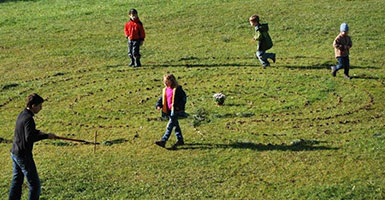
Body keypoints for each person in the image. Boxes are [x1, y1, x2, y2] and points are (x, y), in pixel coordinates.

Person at [9, 93, 56, 200]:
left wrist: (41, 133)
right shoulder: (29, 119)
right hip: (23, 155)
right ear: (33, 105)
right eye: (40, 106)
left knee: (17, 182)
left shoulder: (22, 114)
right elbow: (29, 137)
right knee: (35, 185)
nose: (41, 108)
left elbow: (28, 132)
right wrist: (46, 136)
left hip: (15, 152)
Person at [155, 74, 187, 148]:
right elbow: (161, 99)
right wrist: (158, 105)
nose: (165, 83)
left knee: (170, 126)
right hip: (169, 110)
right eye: (164, 81)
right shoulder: (166, 90)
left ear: (172, 81)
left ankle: (164, 140)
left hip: (175, 110)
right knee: (175, 125)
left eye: (167, 81)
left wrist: (179, 107)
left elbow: (183, 99)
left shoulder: (178, 89)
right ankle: (180, 140)